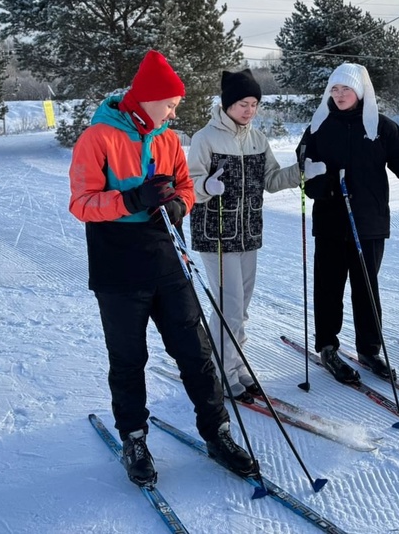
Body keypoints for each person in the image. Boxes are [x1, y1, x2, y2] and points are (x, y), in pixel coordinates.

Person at [68, 50, 256, 488]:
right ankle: (134, 438)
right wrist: (131, 200)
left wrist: (176, 205)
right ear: (147, 98)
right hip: (117, 267)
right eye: (169, 103)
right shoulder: (98, 138)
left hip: (167, 259)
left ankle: (218, 433)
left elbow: (187, 187)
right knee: (129, 360)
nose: (174, 111)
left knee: (196, 351)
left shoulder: (169, 140)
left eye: (175, 105)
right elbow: (80, 203)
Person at [297, 62, 399, 383]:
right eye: (335, 88)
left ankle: (369, 349)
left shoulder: (382, 128)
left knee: (366, 289)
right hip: (331, 222)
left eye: (346, 88)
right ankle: (328, 346)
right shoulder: (318, 127)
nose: (340, 94)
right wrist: (323, 185)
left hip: (369, 222)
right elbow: (305, 169)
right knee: (328, 287)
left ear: (360, 91)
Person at [187, 68, 300, 403]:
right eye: (242, 103)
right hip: (216, 234)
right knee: (229, 306)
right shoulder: (205, 138)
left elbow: (273, 179)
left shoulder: (257, 139)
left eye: (253, 103)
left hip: (248, 234)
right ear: (226, 104)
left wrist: (303, 170)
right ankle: (222, 369)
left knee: (242, 307)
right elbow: (189, 185)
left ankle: (236, 364)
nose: (249, 110)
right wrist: (207, 185)